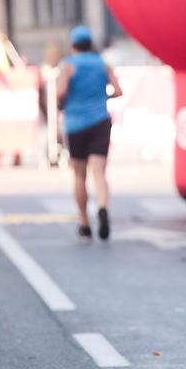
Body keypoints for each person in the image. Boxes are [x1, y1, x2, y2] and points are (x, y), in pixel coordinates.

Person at [57, 25, 122, 241]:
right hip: (100, 122)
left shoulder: (68, 66)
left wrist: (62, 104)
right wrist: (103, 99)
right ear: (91, 45)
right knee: (100, 172)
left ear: (72, 45)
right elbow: (118, 90)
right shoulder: (102, 64)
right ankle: (102, 207)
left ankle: (84, 223)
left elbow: (61, 92)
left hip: (76, 124)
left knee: (79, 175)